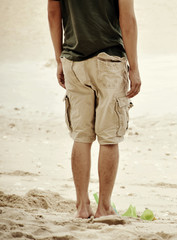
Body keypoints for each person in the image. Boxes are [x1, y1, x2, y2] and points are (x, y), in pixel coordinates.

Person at [48, 0, 141, 218]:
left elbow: (53, 13)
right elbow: (128, 20)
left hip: (73, 60)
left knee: (81, 136)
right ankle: (104, 207)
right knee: (109, 136)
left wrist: (59, 59)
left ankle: (82, 206)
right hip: (108, 59)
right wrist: (134, 68)